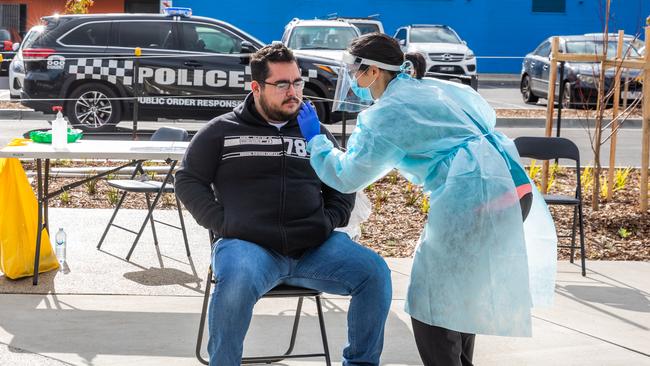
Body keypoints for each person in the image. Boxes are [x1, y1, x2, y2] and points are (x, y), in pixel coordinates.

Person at [296, 33, 557, 366]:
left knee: (432, 303)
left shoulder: (389, 114)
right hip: (507, 184)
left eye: (355, 70)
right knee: (459, 297)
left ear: (374, 71)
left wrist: (316, 141)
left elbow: (347, 177)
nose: (353, 79)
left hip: (478, 193)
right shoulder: (423, 87)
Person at [174, 43, 392, 366]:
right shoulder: (222, 132)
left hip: (314, 249)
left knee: (375, 274)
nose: (294, 92)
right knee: (234, 284)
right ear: (257, 87)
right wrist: (223, 223)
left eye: (297, 82)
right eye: (282, 84)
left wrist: (329, 220)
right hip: (249, 247)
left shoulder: (313, 132)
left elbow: (342, 179)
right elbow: (187, 179)